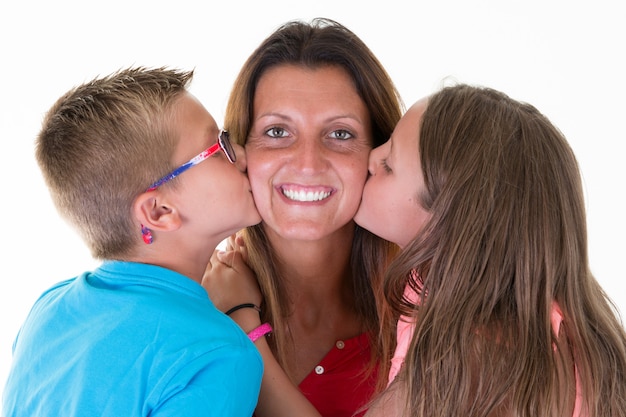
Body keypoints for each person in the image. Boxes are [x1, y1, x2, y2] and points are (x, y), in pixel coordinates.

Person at [2, 67, 264, 417]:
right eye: (217, 148)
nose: (243, 156)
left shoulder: (48, 310)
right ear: (159, 210)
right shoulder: (218, 355)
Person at [353, 84, 626, 416]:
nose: (370, 158)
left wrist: (266, 343)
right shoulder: (551, 322)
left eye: (389, 165)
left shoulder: (462, 360)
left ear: (445, 219)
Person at [203, 17, 403, 417]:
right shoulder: (187, 306)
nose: (308, 164)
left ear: (380, 153)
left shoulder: (427, 318)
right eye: (277, 132)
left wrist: (243, 324)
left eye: (341, 134)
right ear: (239, 152)